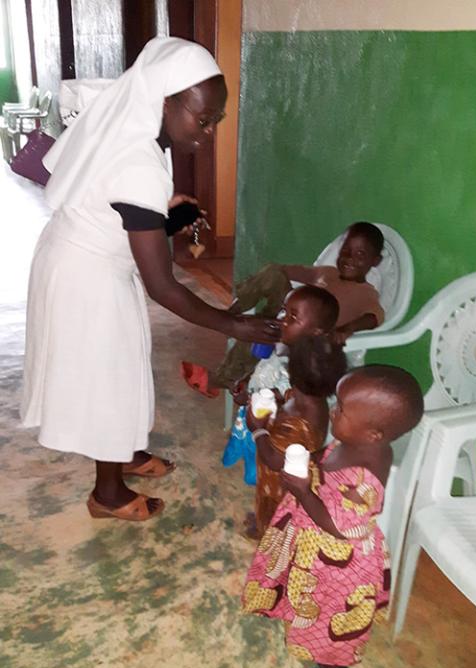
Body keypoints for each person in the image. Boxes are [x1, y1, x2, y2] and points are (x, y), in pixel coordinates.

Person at [20, 37, 279, 522]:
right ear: (164, 101)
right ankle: (108, 495)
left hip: (81, 257)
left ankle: (126, 453)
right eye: (201, 120)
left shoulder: (134, 127)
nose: (207, 134)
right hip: (86, 275)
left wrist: (164, 218)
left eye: (215, 121)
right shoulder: (138, 160)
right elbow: (163, 285)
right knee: (108, 381)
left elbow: (125, 211)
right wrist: (232, 325)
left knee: (123, 368)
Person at [242, 365, 424, 668]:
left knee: (331, 619)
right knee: (309, 600)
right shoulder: (353, 441)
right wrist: (267, 436)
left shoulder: (366, 473)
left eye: (341, 408)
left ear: (374, 434)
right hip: (319, 547)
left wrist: (303, 492)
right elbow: (322, 462)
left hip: (340, 564)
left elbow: (342, 526)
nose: (333, 410)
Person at [182, 221, 385, 396]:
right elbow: (287, 272)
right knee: (272, 272)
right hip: (290, 314)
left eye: (360, 254)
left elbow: (374, 317)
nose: (349, 258)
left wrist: (347, 329)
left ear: (375, 261)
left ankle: (223, 379)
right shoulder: (327, 273)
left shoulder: (366, 292)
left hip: (309, 337)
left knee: (258, 331)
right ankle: (232, 314)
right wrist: (275, 274)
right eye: (346, 251)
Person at [222, 285, 339, 487]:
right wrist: (250, 389)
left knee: (272, 502)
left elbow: (276, 461)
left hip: (279, 473)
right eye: (284, 310)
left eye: (293, 317)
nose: (282, 319)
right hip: (268, 422)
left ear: (316, 331)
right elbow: (280, 386)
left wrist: (258, 428)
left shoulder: (302, 412)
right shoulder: (292, 354)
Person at [244, 334, 347, 539]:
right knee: (265, 502)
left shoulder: (299, 423)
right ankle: (261, 521)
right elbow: (289, 399)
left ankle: (266, 535)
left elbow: (274, 461)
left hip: (282, 483)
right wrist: (279, 398)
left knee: (275, 511)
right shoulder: (311, 402)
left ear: (290, 372)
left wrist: (257, 429)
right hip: (280, 475)